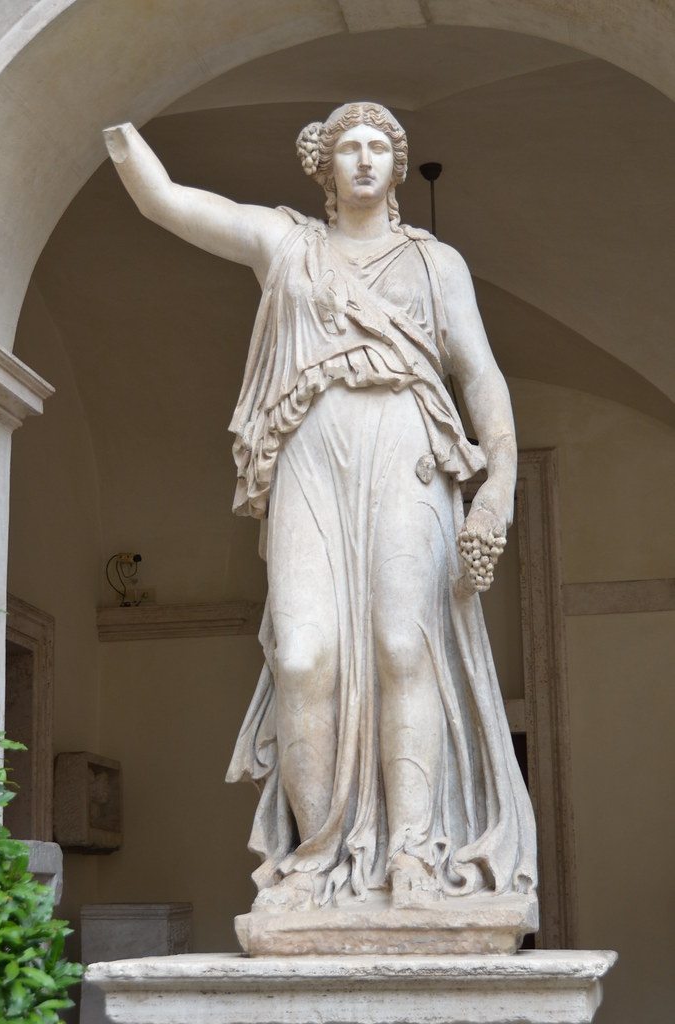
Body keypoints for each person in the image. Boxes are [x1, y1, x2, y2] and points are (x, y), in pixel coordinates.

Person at [103, 102, 537, 913]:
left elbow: (481, 377)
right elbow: (165, 200)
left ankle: (410, 854)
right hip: (309, 452)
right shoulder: (287, 245)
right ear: (324, 167)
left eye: (381, 147)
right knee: (301, 656)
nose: (367, 159)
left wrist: (499, 490)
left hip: (407, 447)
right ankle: (318, 856)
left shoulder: (435, 264)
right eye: (351, 148)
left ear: (398, 167)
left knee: (403, 644)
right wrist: (108, 128)